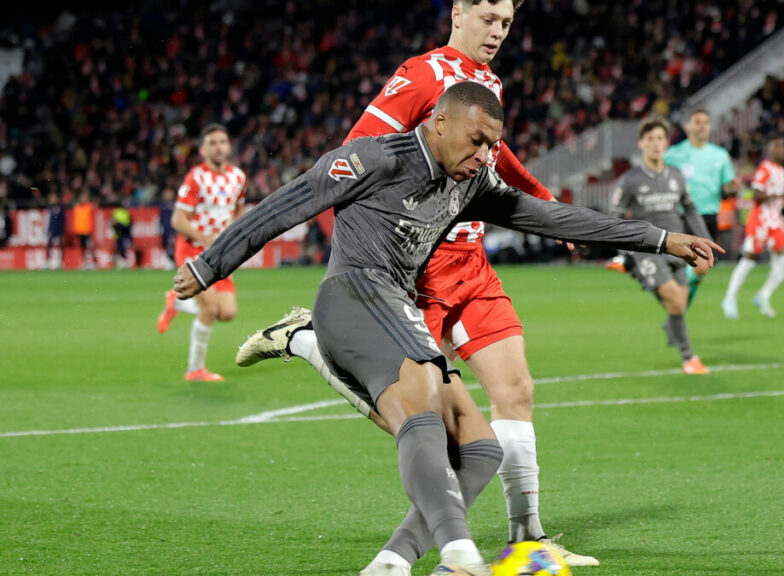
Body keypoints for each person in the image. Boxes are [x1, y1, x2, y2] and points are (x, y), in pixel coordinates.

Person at [172, 83, 722, 576]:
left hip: (395, 308)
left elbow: (553, 218)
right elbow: (284, 206)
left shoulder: (472, 183)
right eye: (477, 140)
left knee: (480, 448)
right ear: (438, 121)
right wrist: (208, 265)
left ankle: (392, 561)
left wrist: (658, 238)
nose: (484, 156)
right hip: (353, 292)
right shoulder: (374, 157)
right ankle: (461, 553)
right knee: (424, 399)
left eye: (492, 147)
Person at [235, 0, 598, 567]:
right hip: (415, 271)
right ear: (458, 12)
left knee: (517, 390)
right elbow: (355, 158)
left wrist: (548, 206)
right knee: (417, 418)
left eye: (506, 22)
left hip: (471, 264)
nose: (497, 31)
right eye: (488, 19)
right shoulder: (421, 75)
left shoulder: (487, 83)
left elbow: (500, 159)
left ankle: (526, 538)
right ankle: (307, 341)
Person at [613, 117, 712, 375]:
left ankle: (672, 327)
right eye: (650, 139)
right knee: (676, 301)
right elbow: (615, 216)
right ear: (641, 144)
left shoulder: (676, 176)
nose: (655, 144)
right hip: (645, 249)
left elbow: (690, 209)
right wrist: (624, 251)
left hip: (677, 248)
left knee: (677, 304)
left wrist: (703, 241)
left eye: (660, 139)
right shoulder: (630, 179)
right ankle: (689, 358)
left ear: (666, 143)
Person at [157, 123, 247, 382]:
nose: (218, 147)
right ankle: (195, 369)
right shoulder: (195, 178)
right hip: (193, 249)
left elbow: (238, 210)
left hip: (220, 252)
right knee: (209, 309)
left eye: (222, 142)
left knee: (227, 313)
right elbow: (177, 219)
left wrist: (231, 238)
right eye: (213, 143)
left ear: (228, 146)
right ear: (203, 149)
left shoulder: (238, 177)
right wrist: (205, 237)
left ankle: (176, 300)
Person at [663, 109, 740, 300]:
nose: (702, 125)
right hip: (680, 216)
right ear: (688, 127)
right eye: (697, 121)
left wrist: (733, 187)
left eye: (706, 122)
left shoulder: (720, 155)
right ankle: (676, 302)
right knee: (681, 262)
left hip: (708, 217)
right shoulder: (673, 154)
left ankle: (680, 300)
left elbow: (729, 188)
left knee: (702, 267)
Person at [721, 135, 784, 319]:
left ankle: (763, 296)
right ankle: (729, 298)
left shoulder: (782, 172)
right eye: (777, 147)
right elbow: (756, 194)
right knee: (750, 258)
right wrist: (779, 195)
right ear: (770, 150)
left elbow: (778, 196)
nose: (782, 151)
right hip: (761, 218)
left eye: (783, 147)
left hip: (775, 219)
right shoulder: (765, 167)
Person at [68, 191, 96, 269]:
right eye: (82, 198)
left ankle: (92, 262)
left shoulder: (90, 207)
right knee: (82, 248)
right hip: (80, 231)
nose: (83, 199)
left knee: (89, 247)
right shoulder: (77, 207)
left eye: (85, 198)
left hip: (88, 231)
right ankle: (84, 262)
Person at [45, 192, 66, 269]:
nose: (52, 199)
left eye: (53, 197)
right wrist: (48, 229)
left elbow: (63, 220)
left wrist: (63, 229)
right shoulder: (50, 208)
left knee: (61, 245)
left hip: (59, 229)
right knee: (49, 245)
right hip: (52, 229)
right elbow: (49, 220)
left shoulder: (61, 207)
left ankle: (60, 261)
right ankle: (48, 261)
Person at [158, 187, 177, 268]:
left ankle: (173, 261)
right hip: (165, 230)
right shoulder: (163, 205)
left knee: (172, 245)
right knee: (165, 245)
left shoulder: (174, 205)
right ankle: (168, 261)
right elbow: (161, 219)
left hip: (172, 230)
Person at [112, 199, 133, 269]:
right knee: (120, 248)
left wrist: (119, 225)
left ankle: (124, 262)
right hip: (119, 234)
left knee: (124, 248)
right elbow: (113, 222)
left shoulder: (126, 212)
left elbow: (129, 224)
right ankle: (122, 262)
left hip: (124, 233)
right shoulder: (116, 212)